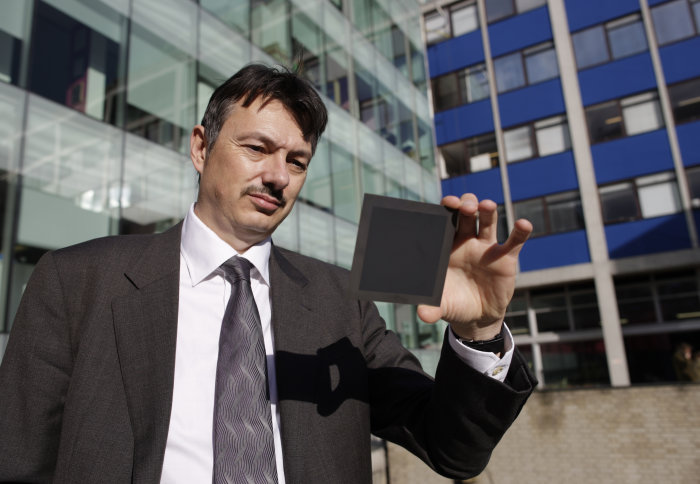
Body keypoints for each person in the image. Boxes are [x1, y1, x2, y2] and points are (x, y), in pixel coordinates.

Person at [0, 64, 536, 483]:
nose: (278, 175)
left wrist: (479, 331)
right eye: (256, 148)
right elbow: (18, 461)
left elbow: (454, 450)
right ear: (201, 146)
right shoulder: (77, 280)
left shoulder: (339, 303)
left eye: (297, 161)